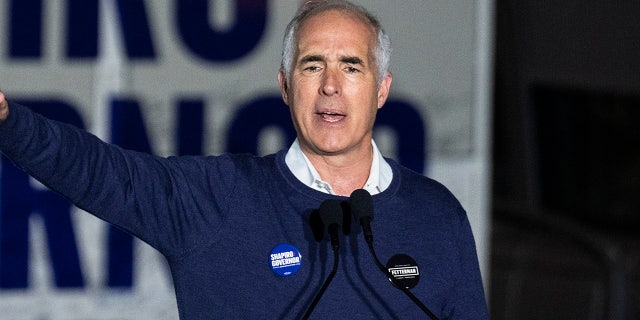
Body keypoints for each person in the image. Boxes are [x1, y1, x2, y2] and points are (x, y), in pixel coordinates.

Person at [0, 0, 488, 319]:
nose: (330, 86)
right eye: (312, 65)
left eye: (351, 67)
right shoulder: (217, 199)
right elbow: (99, 171)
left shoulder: (437, 213)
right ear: (285, 86)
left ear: (382, 89)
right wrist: (8, 121)